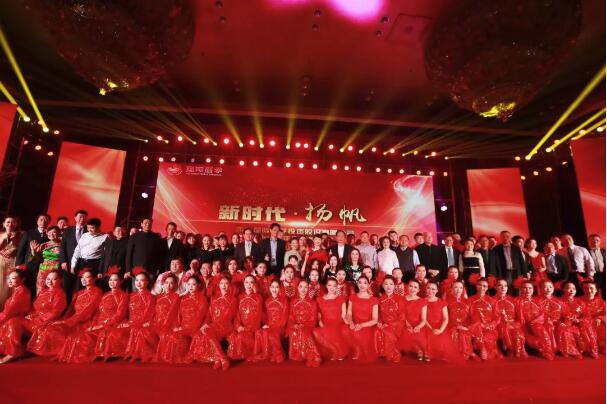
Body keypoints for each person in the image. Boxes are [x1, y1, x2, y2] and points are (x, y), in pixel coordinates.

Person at [59, 268, 128, 363]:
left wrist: (102, 324)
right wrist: (93, 325)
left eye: (115, 280)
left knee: (82, 338)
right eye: (110, 280)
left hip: (111, 324)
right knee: (75, 336)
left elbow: (120, 315)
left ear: (121, 281)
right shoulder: (105, 295)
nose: (112, 282)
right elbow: (98, 312)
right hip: (98, 324)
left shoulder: (123, 296)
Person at [36, 268, 103, 359]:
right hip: (73, 320)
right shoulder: (78, 293)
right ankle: (56, 352)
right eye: (82, 277)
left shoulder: (97, 292)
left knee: (72, 335)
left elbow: (86, 311)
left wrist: (68, 322)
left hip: (86, 322)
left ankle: (62, 353)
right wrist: (63, 320)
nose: (83, 279)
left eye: (87, 277)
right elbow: (70, 310)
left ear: (94, 279)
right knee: (52, 327)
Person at [0, 271, 66, 363]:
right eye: (48, 279)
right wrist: (31, 316)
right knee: (13, 321)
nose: (50, 281)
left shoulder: (60, 294)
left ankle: (13, 353)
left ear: (60, 280)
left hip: (46, 322)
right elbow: (33, 307)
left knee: (13, 322)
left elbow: (55, 313)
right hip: (34, 320)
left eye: (54, 279)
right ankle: (13, 350)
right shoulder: (43, 292)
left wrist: (40, 319)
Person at [104, 269, 155, 360]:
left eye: (142, 280)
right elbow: (125, 312)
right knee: (114, 332)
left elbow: (148, 315)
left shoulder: (150, 297)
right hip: (130, 323)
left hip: (143, 323)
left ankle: (133, 353)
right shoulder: (131, 295)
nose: (138, 283)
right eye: (137, 280)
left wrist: (132, 323)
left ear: (147, 282)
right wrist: (124, 322)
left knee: (134, 330)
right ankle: (116, 354)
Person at [187, 277, 236, 370]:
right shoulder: (213, 298)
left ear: (229, 285)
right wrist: (205, 323)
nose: (224, 285)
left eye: (226, 283)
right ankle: (221, 358)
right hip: (214, 325)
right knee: (204, 331)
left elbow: (235, 315)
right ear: (219, 285)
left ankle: (219, 359)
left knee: (208, 331)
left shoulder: (233, 299)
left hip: (226, 326)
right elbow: (209, 314)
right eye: (222, 283)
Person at [423, 281, 463, 363]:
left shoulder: (442, 302)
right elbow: (422, 317)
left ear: (437, 290)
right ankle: (425, 351)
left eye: (433, 289)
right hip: (425, 325)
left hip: (439, 326)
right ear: (425, 289)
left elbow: (445, 318)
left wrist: (441, 330)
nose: (430, 291)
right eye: (428, 288)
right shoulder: (421, 301)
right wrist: (430, 328)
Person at [227, 275, 263, 362]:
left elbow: (259, 315)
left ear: (254, 284)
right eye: (246, 282)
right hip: (242, 327)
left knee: (243, 336)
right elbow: (237, 314)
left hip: (253, 328)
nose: (249, 285)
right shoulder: (239, 297)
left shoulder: (258, 297)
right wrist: (238, 326)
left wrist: (251, 328)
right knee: (236, 336)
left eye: (251, 282)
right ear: (243, 284)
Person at [313, 277, 349, 361]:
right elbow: (319, 314)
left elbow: (344, 315)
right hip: (325, 322)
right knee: (316, 332)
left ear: (336, 287)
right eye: (330, 285)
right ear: (326, 286)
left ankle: (338, 350)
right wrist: (320, 322)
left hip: (338, 322)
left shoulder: (341, 299)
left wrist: (348, 323)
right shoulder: (319, 299)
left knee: (335, 330)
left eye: (334, 285)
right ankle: (334, 349)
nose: (332, 288)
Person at [517, 281, 554, 360]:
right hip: (521, 325)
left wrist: (535, 322)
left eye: (530, 288)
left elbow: (543, 314)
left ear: (533, 289)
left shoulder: (538, 301)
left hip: (535, 325)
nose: (528, 290)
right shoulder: (516, 301)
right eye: (525, 288)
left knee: (539, 328)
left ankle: (547, 351)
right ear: (521, 289)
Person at [286, 280, 321, 367]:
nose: (303, 289)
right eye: (301, 287)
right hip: (295, 325)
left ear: (308, 289)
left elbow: (313, 318)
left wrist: (304, 325)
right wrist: (294, 324)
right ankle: (300, 354)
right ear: (297, 288)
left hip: (308, 325)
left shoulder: (312, 303)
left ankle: (314, 355)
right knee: (294, 331)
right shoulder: (293, 302)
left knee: (303, 330)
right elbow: (290, 316)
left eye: (305, 287)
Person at [344, 276, 378, 362]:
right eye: (360, 282)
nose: (362, 285)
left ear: (368, 285)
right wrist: (351, 322)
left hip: (367, 325)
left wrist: (361, 325)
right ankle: (356, 349)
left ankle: (360, 350)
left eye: (365, 283)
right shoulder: (352, 297)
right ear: (357, 284)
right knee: (344, 330)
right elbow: (349, 313)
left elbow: (375, 319)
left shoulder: (374, 300)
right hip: (354, 323)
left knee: (361, 333)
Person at [0, 270, 31, 364]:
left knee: (11, 323)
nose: (9, 281)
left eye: (13, 278)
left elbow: (9, 312)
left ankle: (13, 352)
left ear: (23, 279)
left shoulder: (22, 292)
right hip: (11, 317)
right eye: (8, 278)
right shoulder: (18, 290)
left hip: (17, 319)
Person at [493, 279, 527, 358]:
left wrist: (515, 324)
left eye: (505, 286)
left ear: (507, 288)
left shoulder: (513, 300)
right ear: (495, 287)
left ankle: (517, 349)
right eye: (500, 285)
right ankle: (510, 348)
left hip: (512, 324)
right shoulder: (492, 300)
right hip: (498, 325)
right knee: (505, 328)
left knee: (517, 331)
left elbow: (519, 316)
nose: (503, 288)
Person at [469, 278, 501, 360]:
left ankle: (491, 350)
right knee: (477, 326)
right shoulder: (470, 300)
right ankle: (482, 348)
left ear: (487, 288)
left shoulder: (492, 301)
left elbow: (497, 317)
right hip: (475, 328)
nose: (482, 288)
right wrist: (478, 325)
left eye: (484, 286)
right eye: (479, 285)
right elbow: (467, 316)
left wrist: (491, 325)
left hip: (488, 327)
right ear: (476, 286)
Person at [375, 276, 405, 363]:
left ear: (394, 285)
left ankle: (393, 353)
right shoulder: (380, 299)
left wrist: (390, 324)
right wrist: (379, 322)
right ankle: (382, 351)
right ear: (383, 286)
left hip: (397, 324)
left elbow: (402, 317)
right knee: (377, 330)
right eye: (386, 284)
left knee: (387, 330)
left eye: (391, 284)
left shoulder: (399, 299)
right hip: (383, 323)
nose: (388, 286)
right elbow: (378, 314)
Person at [257, 279, 288, 363]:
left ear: (280, 289)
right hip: (270, 325)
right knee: (262, 331)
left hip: (280, 327)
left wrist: (275, 326)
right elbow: (265, 316)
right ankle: (266, 353)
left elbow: (285, 317)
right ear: (270, 288)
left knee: (273, 333)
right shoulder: (267, 301)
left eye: (277, 287)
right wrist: (266, 324)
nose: (274, 289)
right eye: (273, 287)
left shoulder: (284, 301)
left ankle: (278, 354)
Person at [446, 281, 476, 360]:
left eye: (460, 288)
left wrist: (467, 327)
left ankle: (467, 352)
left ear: (463, 290)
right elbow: (446, 317)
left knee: (464, 334)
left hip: (465, 326)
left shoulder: (468, 302)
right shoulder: (447, 302)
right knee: (454, 333)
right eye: (456, 287)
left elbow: (471, 316)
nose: (458, 290)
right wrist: (456, 326)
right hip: (451, 326)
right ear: (452, 289)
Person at [15, 213, 50, 281]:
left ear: (49, 222)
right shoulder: (29, 233)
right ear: (37, 221)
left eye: (46, 220)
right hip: (28, 264)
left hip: (42, 266)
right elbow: (21, 249)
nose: (43, 222)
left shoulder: (50, 235)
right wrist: (18, 264)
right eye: (41, 220)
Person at [400, 280, 427, 360]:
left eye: (415, 287)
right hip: (405, 323)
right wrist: (407, 325)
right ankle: (418, 350)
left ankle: (423, 350)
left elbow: (424, 319)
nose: (412, 289)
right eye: (411, 286)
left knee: (419, 334)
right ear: (407, 287)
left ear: (418, 290)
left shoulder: (422, 301)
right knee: (407, 332)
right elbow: (401, 315)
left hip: (418, 324)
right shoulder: (402, 299)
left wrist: (418, 326)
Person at [30, 226, 62, 295]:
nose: (51, 234)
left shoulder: (62, 244)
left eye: (54, 232)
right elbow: (35, 259)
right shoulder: (44, 245)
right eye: (49, 232)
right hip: (43, 269)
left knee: (54, 288)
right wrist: (33, 250)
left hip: (56, 269)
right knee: (41, 289)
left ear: (59, 233)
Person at [559, 282, 588, 358]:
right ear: (563, 289)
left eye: (574, 289)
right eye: (568, 288)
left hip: (577, 323)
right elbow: (555, 316)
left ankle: (584, 349)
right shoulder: (558, 301)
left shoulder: (580, 302)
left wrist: (579, 320)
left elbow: (587, 316)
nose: (571, 290)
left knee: (586, 327)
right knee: (564, 330)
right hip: (563, 324)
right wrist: (561, 322)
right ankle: (570, 350)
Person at [0, 216, 23, 308]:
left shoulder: (20, 235)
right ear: (4, 224)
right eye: (8, 222)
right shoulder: (1, 234)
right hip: (1, 260)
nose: (10, 224)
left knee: (9, 283)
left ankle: (6, 306)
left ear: (16, 224)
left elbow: (21, 249)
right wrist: (5, 237)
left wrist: (14, 249)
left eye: (12, 222)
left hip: (12, 261)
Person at [581, 281, 605, 355]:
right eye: (586, 288)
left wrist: (600, 318)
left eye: (591, 288)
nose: (589, 290)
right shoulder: (578, 301)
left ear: (596, 290)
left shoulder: (602, 302)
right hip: (583, 323)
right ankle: (589, 348)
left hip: (597, 322)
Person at [588, 234, 606, 299]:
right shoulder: (586, 251)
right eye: (592, 240)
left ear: (600, 242)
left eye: (597, 240)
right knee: (595, 292)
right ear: (589, 241)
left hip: (604, 274)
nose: (595, 242)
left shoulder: (604, 251)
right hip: (593, 275)